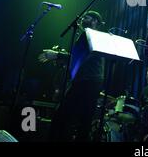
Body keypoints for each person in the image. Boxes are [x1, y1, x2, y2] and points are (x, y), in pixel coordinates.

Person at [45, 10, 106, 141]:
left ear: (95, 21)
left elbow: (78, 58)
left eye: (87, 17)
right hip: (92, 82)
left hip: (85, 82)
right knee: (84, 121)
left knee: (61, 116)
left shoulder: (88, 35)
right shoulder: (95, 36)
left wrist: (56, 55)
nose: (83, 19)